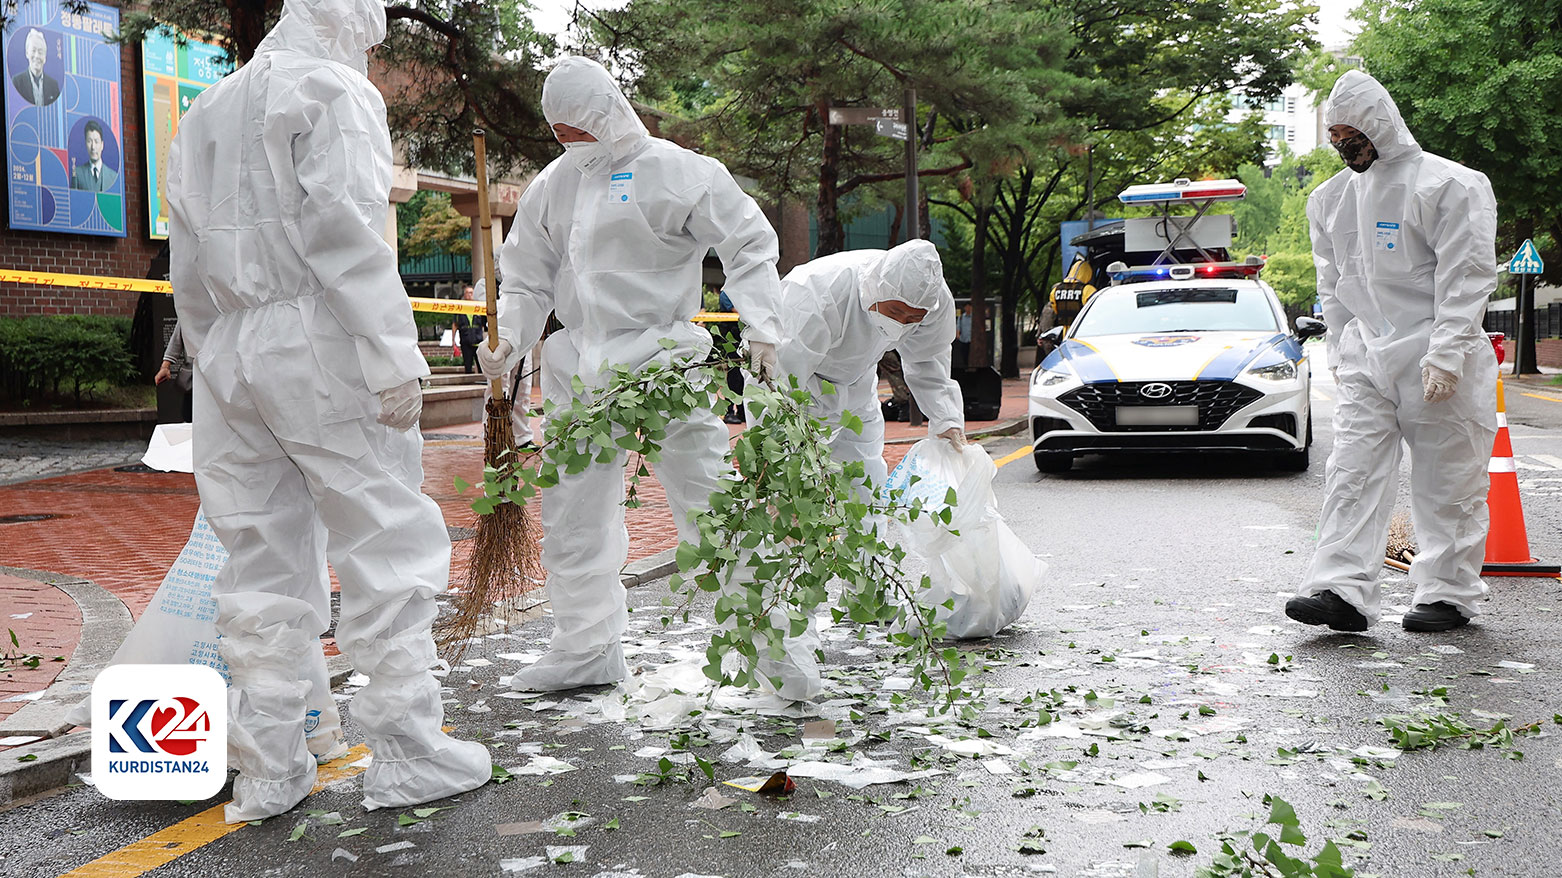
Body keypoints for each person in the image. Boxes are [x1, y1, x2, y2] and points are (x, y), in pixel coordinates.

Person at [166, 0, 489, 822]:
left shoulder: (207, 109)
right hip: (319, 335)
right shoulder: (332, 89)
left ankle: (270, 768)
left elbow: (187, 257)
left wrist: (209, 352)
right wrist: (391, 351)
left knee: (259, 555)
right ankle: (409, 753)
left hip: (232, 347)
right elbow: (345, 232)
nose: (372, 46)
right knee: (385, 535)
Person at [478, 56, 785, 693]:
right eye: (559, 131)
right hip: (580, 373)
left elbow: (749, 242)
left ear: (608, 112)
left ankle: (775, 654)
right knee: (573, 519)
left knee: (712, 505)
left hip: (663, 365)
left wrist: (762, 326)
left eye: (580, 128)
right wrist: (509, 340)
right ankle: (586, 650)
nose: (570, 141)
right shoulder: (553, 186)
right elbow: (528, 279)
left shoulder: (677, 171)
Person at [1285, 70, 1498, 634]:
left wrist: (1448, 352)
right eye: (1335, 137)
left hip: (1437, 352)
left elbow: (1467, 275)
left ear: (1380, 125)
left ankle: (1447, 594)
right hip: (1368, 356)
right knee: (1351, 472)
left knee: (1448, 480)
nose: (1344, 146)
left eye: (1352, 135)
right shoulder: (1330, 199)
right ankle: (1340, 590)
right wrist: (1340, 349)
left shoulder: (1451, 185)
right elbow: (1333, 284)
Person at [154, 318, 194, 421]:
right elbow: (176, 340)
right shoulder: (187, 313)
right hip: (193, 377)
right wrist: (165, 366)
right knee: (189, 417)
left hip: (217, 376)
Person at [11, 29, 59, 107]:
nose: (37, 56)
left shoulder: (53, 86)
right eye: (33, 51)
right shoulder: (17, 82)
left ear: (45, 57)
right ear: (27, 53)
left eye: (40, 52)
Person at [69, 120, 117, 192]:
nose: (93, 147)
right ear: (85, 144)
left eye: (96, 142)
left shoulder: (113, 176)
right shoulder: (77, 173)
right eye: (89, 141)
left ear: (102, 145)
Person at [453, 284, 485, 374]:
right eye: (467, 293)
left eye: (471, 293)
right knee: (468, 366)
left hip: (478, 341)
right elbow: (455, 324)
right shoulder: (460, 308)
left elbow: (485, 324)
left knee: (481, 366)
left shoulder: (479, 307)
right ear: (464, 295)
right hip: (465, 341)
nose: (469, 295)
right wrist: (453, 340)